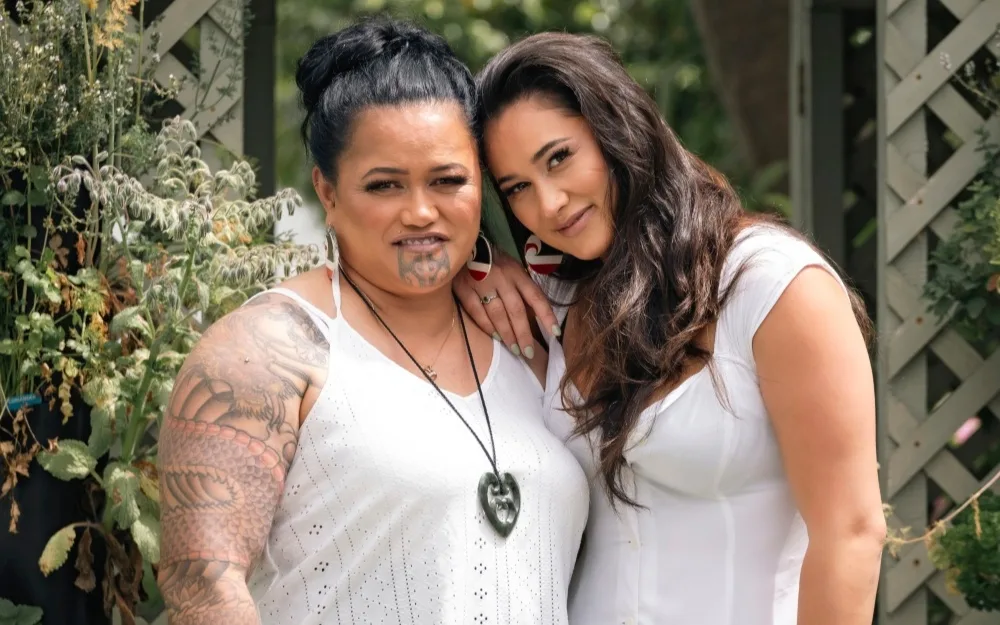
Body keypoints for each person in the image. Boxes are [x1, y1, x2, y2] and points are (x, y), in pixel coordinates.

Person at [156, 18, 588, 625]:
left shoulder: (527, 333)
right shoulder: (269, 348)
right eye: (384, 186)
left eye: (448, 181)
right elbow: (202, 584)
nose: (421, 212)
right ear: (327, 193)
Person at [452, 32, 886, 625]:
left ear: (619, 128)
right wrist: (472, 263)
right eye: (517, 189)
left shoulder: (771, 284)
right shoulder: (555, 302)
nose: (548, 204)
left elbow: (852, 533)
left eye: (559, 158)